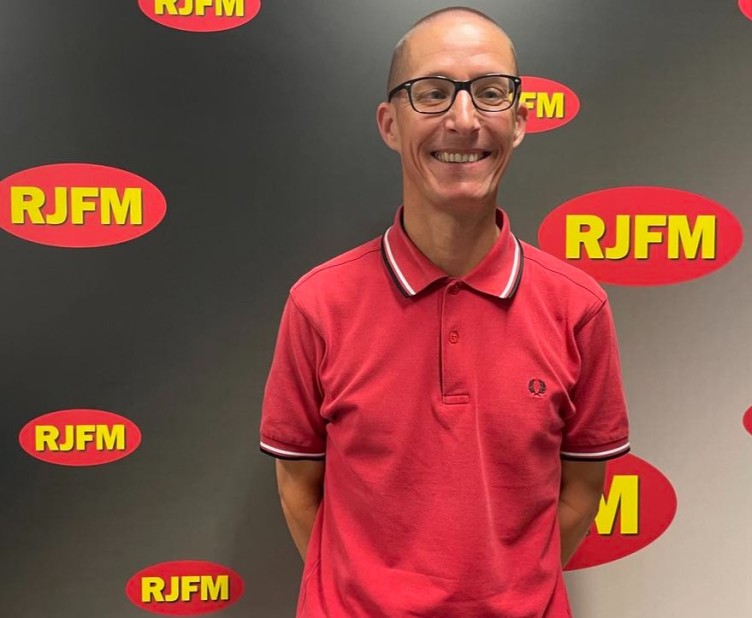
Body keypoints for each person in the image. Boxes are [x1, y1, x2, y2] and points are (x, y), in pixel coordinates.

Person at [260, 7, 630, 617]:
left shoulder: (578, 309)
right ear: (390, 124)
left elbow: (581, 492)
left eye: (490, 93)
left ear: (518, 122)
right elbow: (298, 489)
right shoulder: (318, 305)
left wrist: (506, 591)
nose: (463, 120)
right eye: (431, 93)